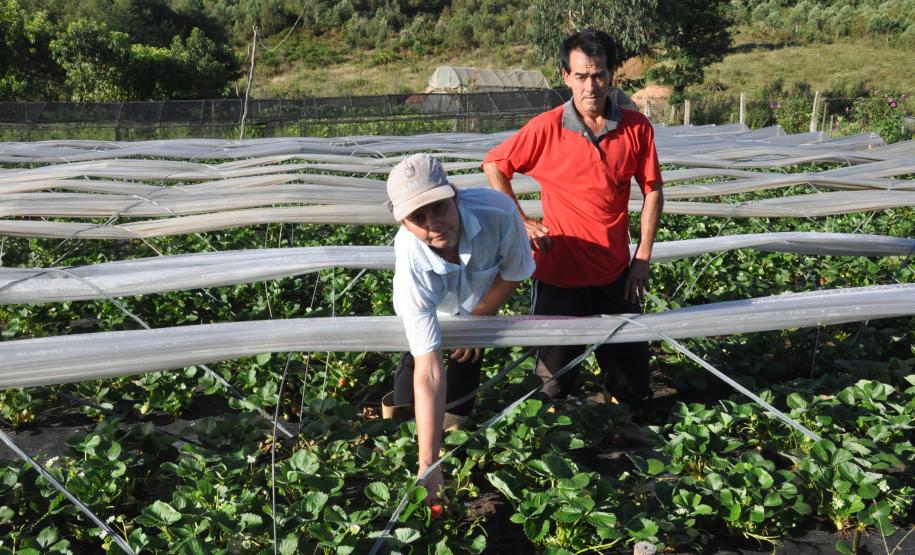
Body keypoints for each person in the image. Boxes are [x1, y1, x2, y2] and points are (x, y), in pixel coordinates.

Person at [482, 29, 664, 406]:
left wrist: (642, 256)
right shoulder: (546, 127)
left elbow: (652, 190)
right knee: (551, 386)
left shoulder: (636, 127)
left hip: (616, 274)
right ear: (565, 77)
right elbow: (495, 165)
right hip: (559, 276)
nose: (591, 86)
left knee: (632, 384)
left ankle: (626, 427)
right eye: (581, 76)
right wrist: (520, 220)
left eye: (598, 74)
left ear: (612, 73)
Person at [386, 153, 535, 504]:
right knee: (416, 374)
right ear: (404, 223)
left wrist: (479, 319)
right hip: (428, 309)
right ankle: (408, 439)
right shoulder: (411, 260)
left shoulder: (498, 212)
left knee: (466, 364)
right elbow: (430, 369)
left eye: (439, 207)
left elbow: (514, 271)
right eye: (417, 217)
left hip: (476, 302)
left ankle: (454, 433)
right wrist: (428, 463)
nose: (433, 224)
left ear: (454, 194)